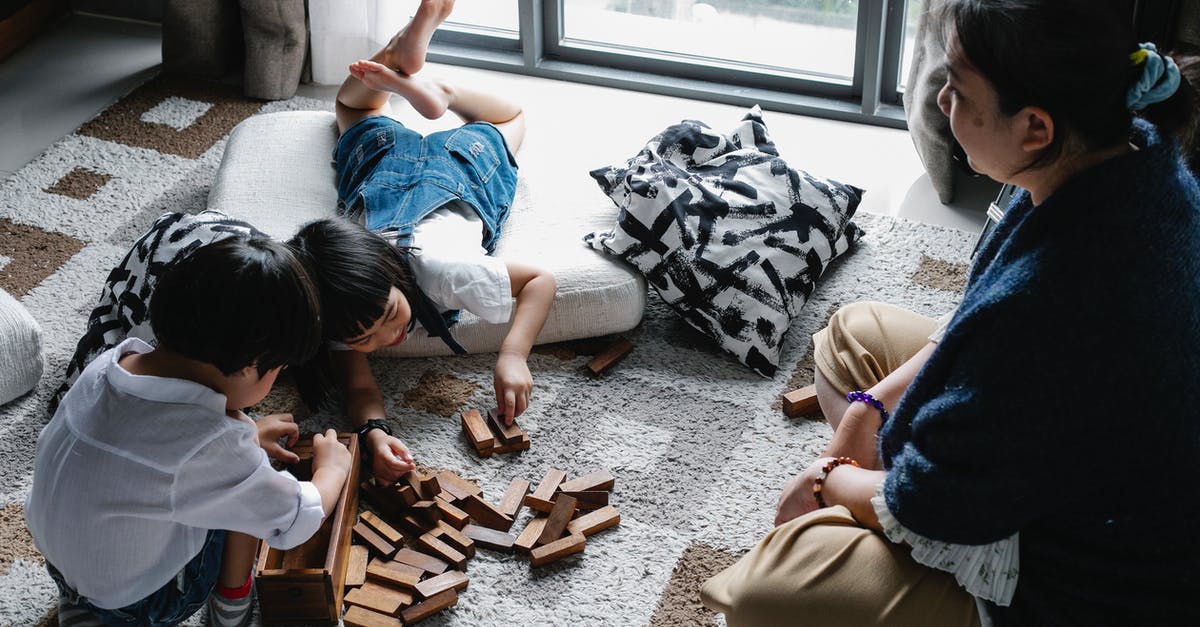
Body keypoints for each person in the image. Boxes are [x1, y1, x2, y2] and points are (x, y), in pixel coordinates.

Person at [701, 1, 1200, 626]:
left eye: (958, 90)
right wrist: (866, 409)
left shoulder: (1056, 302)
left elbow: (933, 502)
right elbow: (975, 325)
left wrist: (828, 479)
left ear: (1035, 127)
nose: (940, 101)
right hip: (1061, 463)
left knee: (763, 594)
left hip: (1084, 584)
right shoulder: (1126, 158)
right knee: (850, 338)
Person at [287, 0, 555, 485]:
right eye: (364, 339)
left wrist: (514, 354)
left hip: (457, 171)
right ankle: (412, 71)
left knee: (512, 118)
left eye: (390, 314)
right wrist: (374, 433)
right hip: (384, 164)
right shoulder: (338, 304)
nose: (385, 339)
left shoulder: (445, 273)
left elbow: (540, 280)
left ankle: (429, 83)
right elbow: (359, 388)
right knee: (352, 106)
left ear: (390, 272)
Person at [26, 237, 353, 627]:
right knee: (248, 486)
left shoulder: (111, 363)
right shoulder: (216, 444)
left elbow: (154, 441)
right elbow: (293, 520)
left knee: (219, 467)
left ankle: (86, 606)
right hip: (141, 602)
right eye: (279, 370)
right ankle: (231, 607)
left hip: (63, 563)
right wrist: (332, 470)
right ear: (250, 365)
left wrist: (246, 433)